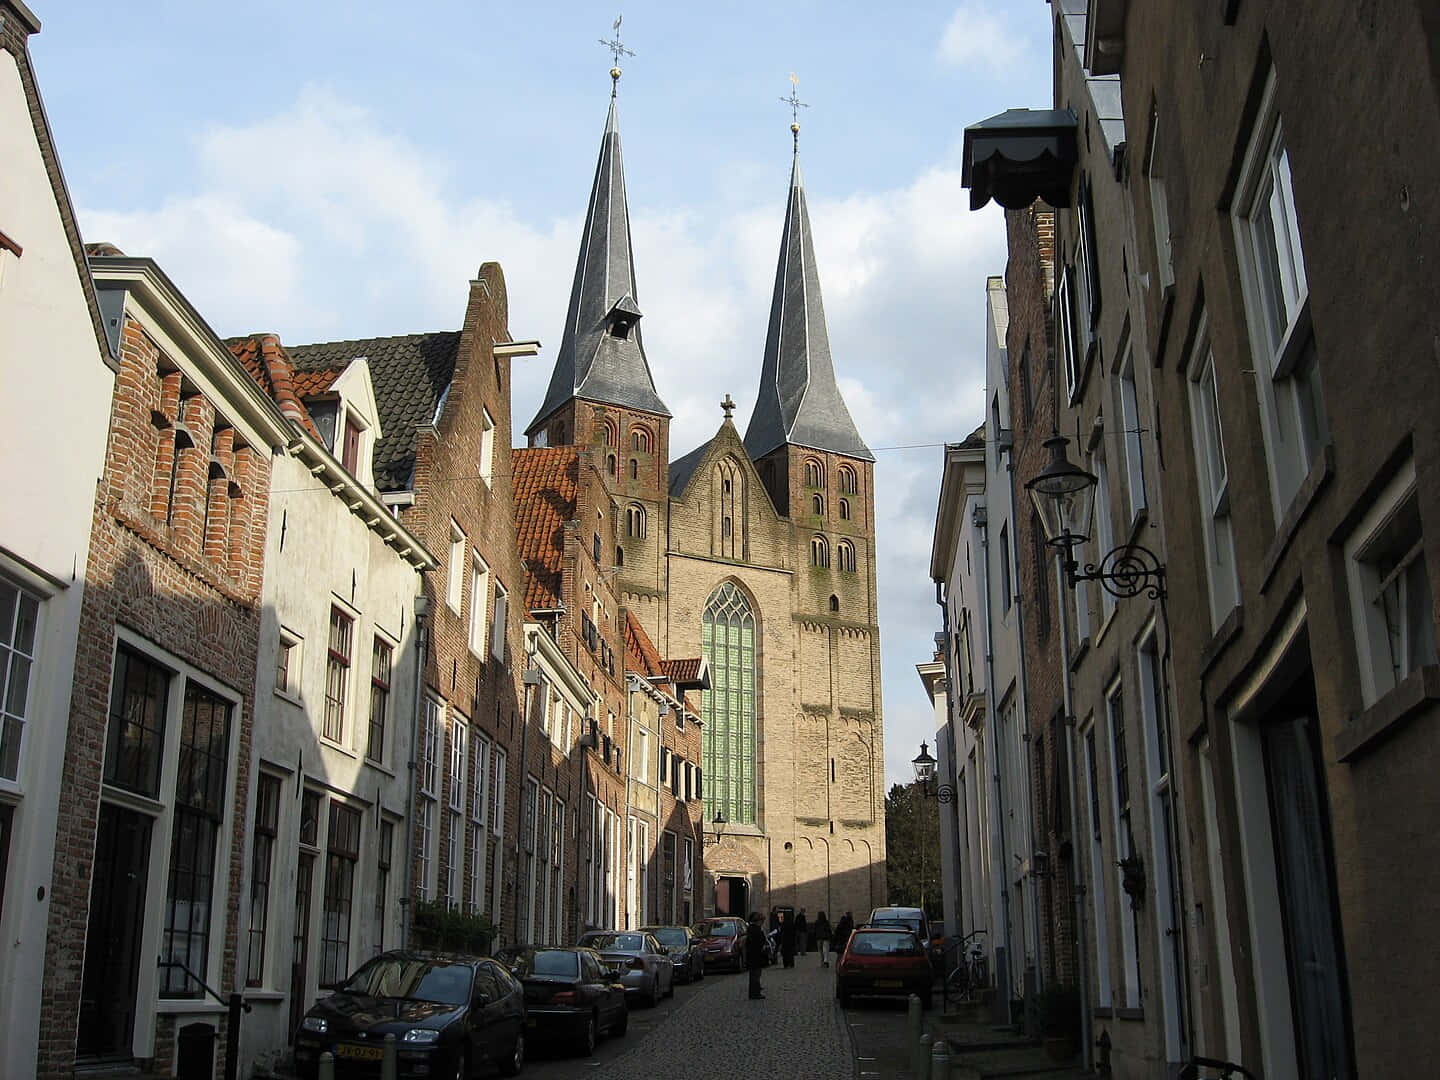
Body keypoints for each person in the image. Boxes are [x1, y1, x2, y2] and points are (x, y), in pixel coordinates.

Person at [745, 911, 768, 999]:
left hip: (752, 956)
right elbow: (760, 941)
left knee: (754, 975)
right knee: (755, 975)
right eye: (761, 921)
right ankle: (755, 993)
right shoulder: (756, 930)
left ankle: (754, 992)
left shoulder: (751, 929)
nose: (762, 923)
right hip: (756, 956)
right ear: (757, 921)